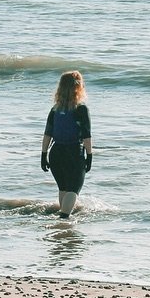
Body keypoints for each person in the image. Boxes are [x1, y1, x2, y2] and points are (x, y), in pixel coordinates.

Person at [40, 70, 93, 219]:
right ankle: (63, 220)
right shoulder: (81, 109)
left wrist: (43, 155)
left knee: (63, 188)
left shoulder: (54, 109)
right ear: (78, 87)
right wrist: (89, 156)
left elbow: (47, 134)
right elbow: (87, 135)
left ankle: (62, 219)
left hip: (55, 152)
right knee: (73, 189)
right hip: (74, 152)